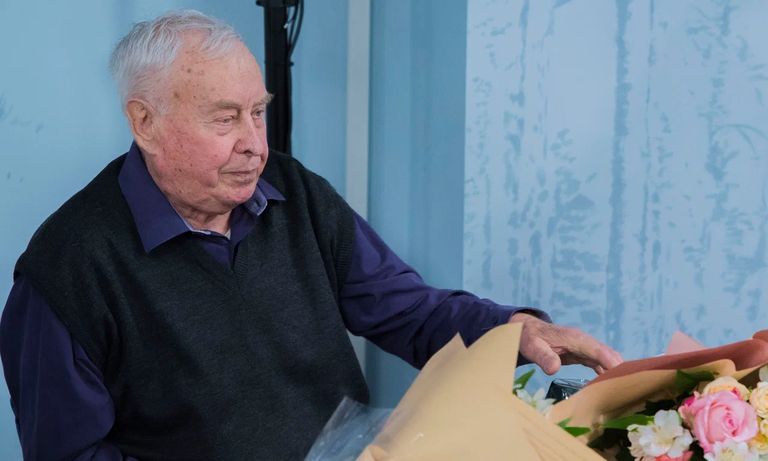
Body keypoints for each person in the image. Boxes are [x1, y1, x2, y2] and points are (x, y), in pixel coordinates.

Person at [0, 10, 622, 461]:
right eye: (225, 118)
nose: (254, 143)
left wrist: (511, 330)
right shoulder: (68, 268)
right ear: (144, 122)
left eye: (258, 112)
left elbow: (409, 310)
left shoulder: (292, 192)